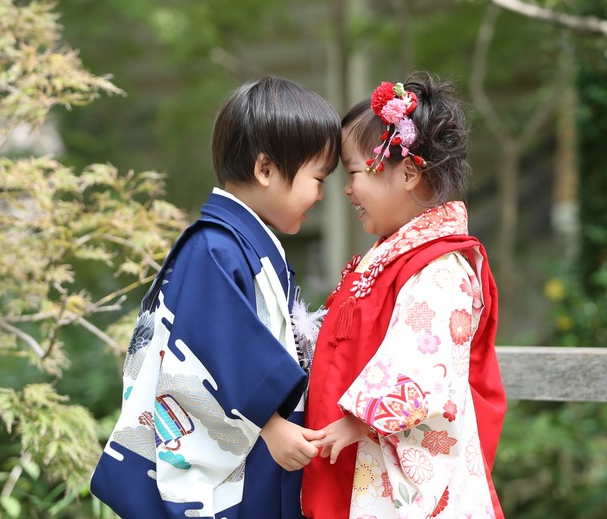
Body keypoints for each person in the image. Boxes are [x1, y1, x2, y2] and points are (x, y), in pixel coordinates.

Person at [90, 76, 340, 518]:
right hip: (249, 448)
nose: (321, 194)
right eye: (317, 178)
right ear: (265, 170)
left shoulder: (238, 244)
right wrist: (269, 424)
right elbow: (209, 348)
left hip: (255, 452)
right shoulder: (214, 248)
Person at [302, 72, 507, 519]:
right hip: (359, 455)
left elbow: (423, 366)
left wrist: (360, 419)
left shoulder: (440, 268)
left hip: (394, 472)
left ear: (410, 172)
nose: (347, 189)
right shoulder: (394, 257)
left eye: (355, 172)